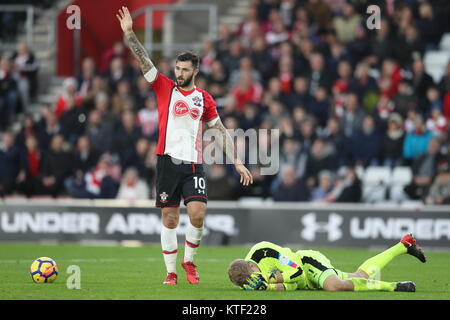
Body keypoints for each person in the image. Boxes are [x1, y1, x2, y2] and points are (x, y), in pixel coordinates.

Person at [116, 6, 253, 285]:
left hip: (192, 164)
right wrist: (130, 33)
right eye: (177, 68)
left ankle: (189, 261)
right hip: (167, 161)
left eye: (184, 70)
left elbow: (221, 131)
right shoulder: (165, 87)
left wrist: (237, 160)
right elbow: (145, 62)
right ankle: (170, 271)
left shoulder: (204, 98)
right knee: (169, 219)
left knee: (197, 214)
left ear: (196, 71)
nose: (179, 73)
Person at [228, 234, 426, 292]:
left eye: (253, 278)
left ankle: (392, 287)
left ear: (252, 266)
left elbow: (297, 273)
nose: (253, 282)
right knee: (359, 277)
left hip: (308, 263)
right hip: (305, 283)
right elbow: (290, 287)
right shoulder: (254, 279)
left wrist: (273, 279)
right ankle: (403, 246)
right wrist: (269, 288)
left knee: (335, 286)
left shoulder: (265, 250)